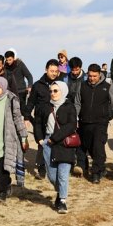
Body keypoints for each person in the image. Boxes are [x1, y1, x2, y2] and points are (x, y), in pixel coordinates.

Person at [0, 77, 29, 203]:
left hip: (8, 139)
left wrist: (24, 136)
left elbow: (18, 118)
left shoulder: (11, 99)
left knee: (3, 168)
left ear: (3, 87)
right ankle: (7, 184)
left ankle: (1, 193)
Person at [74, 63, 113, 184]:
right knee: (87, 146)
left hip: (100, 123)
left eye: (94, 76)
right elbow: (77, 103)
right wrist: (74, 117)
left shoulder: (107, 86)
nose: (92, 78)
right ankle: (100, 168)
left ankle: (95, 173)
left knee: (97, 147)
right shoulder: (82, 86)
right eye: (90, 76)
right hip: (84, 122)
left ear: (99, 75)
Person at [34, 81, 76, 214]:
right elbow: (38, 122)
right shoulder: (45, 106)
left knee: (63, 174)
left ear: (62, 91)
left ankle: (62, 201)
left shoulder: (69, 106)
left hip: (65, 143)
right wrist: (40, 139)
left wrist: (55, 138)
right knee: (52, 176)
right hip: (48, 143)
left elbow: (72, 125)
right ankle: (59, 193)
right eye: (51, 91)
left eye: (55, 91)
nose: (53, 93)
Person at [24, 59, 62, 179]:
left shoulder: (60, 85)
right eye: (52, 70)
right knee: (41, 143)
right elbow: (30, 103)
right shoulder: (37, 85)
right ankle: (41, 169)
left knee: (55, 143)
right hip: (40, 120)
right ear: (46, 70)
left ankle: (54, 166)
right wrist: (26, 117)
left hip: (56, 119)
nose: (54, 73)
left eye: (56, 71)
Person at [4, 49, 33, 116]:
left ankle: (33, 123)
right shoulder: (5, 66)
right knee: (11, 111)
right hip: (10, 92)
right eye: (7, 60)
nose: (8, 62)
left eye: (10, 60)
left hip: (21, 91)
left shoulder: (20, 64)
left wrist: (29, 86)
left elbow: (29, 76)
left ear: (14, 58)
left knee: (23, 111)